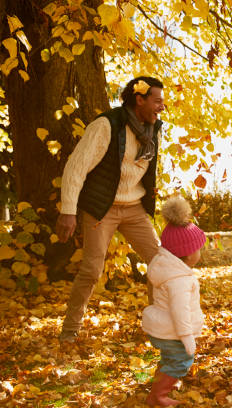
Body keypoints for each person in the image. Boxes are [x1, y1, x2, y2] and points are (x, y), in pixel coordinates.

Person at [56, 77, 165, 343]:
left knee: (160, 264)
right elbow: (76, 167)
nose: (161, 107)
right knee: (92, 270)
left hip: (134, 209)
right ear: (139, 99)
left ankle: (158, 327)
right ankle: (70, 329)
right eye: (157, 101)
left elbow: (147, 170)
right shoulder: (106, 125)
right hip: (101, 208)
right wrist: (68, 210)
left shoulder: (154, 129)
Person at [142, 195, 206, 407]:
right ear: (187, 254)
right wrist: (187, 338)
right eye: (198, 248)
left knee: (169, 360)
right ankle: (158, 397)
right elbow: (180, 310)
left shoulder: (167, 266)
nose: (200, 252)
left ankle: (159, 386)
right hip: (173, 331)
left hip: (163, 328)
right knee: (181, 361)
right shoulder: (178, 279)